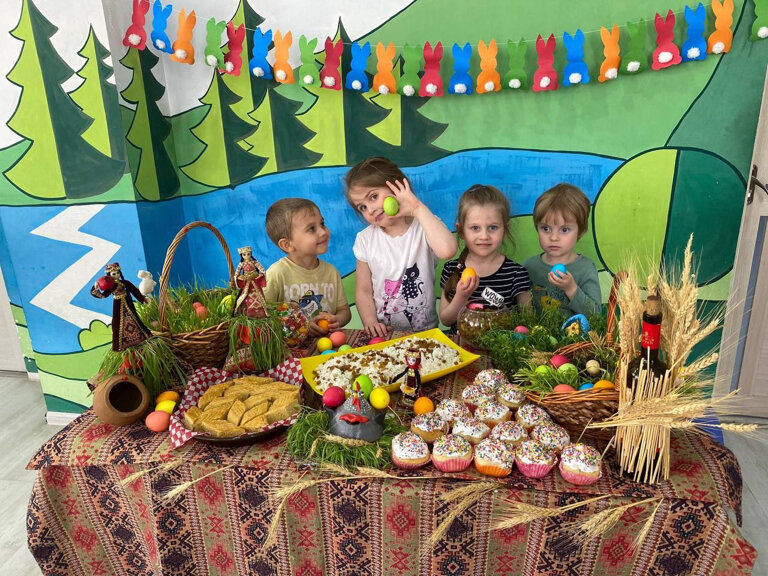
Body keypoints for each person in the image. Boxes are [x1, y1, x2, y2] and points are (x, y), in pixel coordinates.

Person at [346, 157, 457, 337]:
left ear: (398, 187)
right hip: (386, 334)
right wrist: (370, 322)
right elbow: (364, 290)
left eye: (374, 197)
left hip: (425, 332)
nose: (371, 210)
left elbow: (447, 250)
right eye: (362, 207)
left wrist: (418, 208)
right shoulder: (365, 239)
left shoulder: (425, 225)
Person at [439, 185, 532, 329]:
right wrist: (461, 297)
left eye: (493, 227)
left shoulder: (516, 274)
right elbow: (446, 320)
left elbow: (527, 323)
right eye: (475, 228)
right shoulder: (452, 269)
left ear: (505, 229)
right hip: (460, 348)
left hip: (500, 349)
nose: (484, 236)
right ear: (461, 231)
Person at [264, 198, 351, 336]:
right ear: (287, 245)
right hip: (293, 351)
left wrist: (338, 319)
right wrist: (300, 327)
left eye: (322, 224)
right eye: (312, 229)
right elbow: (262, 319)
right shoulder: (276, 274)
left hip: (329, 345)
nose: (323, 232)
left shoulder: (331, 272)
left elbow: (344, 311)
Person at [523, 183, 601, 317]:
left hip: (575, 337)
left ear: (580, 232)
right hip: (535, 337)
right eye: (545, 229)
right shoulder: (528, 267)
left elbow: (595, 315)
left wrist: (571, 289)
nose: (553, 237)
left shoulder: (586, 268)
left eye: (564, 230)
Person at [90, 262, 151, 352]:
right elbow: (103, 295)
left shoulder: (125, 283)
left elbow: (134, 291)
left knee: (135, 318)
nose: (116, 275)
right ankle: (119, 345)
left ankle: (144, 336)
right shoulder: (110, 286)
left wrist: (143, 299)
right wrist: (95, 289)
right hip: (118, 305)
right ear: (109, 275)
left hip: (128, 302)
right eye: (114, 274)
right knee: (117, 322)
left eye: (118, 273)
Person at [233, 246, 268, 318]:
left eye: (248, 254)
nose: (246, 256)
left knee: (258, 296)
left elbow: (262, 270)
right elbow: (236, 273)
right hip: (247, 283)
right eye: (244, 255)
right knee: (245, 296)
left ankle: (260, 312)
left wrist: (258, 275)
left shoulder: (255, 262)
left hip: (254, 282)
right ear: (242, 255)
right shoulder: (241, 264)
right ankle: (248, 312)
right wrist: (240, 277)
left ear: (251, 254)